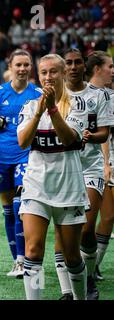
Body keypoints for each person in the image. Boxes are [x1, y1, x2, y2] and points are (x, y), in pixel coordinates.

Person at [18, 53, 88, 300]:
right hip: (36, 188)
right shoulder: (29, 106)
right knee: (33, 250)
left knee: (72, 257)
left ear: (63, 73)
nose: (48, 76)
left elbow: (69, 139)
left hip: (68, 189)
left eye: (53, 71)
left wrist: (52, 109)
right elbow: (23, 141)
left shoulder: (78, 105)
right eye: (44, 72)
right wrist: (38, 113)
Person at [53, 49, 113, 300]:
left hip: (90, 168)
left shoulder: (98, 95)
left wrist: (90, 137)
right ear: (64, 67)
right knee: (62, 232)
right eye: (69, 63)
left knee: (86, 229)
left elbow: (104, 133)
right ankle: (68, 290)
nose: (74, 66)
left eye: (78, 62)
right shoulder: (55, 95)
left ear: (84, 66)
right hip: (61, 169)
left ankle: (89, 276)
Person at [0, 49, 42, 278]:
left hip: (26, 156)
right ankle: (16, 261)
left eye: (27, 64)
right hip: (1, 158)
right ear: (10, 66)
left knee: (19, 208)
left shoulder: (37, 93)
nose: (23, 69)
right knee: (8, 211)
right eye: (19, 64)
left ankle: (24, 260)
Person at [96, 77, 114, 281]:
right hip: (106, 161)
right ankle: (92, 265)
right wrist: (106, 162)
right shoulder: (104, 97)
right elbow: (105, 134)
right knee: (108, 216)